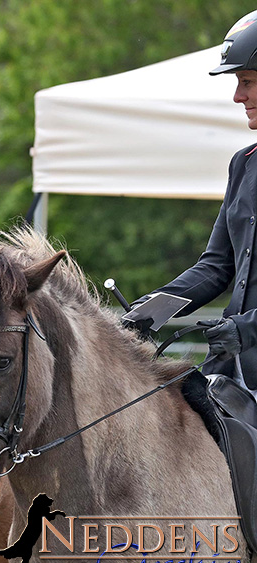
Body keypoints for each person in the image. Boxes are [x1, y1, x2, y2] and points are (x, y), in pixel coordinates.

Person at [128, 10, 257, 398]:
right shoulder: (244, 163)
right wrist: (152, 309)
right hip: (232, 369)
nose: (238, 96)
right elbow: (217, 266)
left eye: (248, 81)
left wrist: (246, 329)